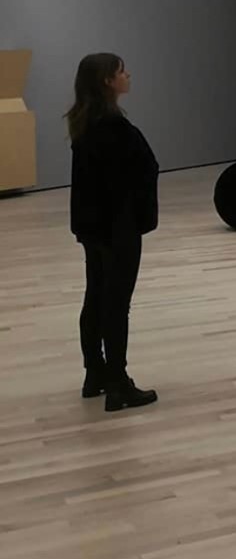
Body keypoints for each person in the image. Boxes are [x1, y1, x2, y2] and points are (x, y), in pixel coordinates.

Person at [66, 53, 159, 411]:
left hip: (94, 227)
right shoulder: (115, 129)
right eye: (121, 71)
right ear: (107, 80)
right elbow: (141, 170)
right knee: (117, 304)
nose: (128, 75)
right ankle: (118, 384)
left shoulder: (84, 122)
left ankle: (95, 373)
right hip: (118, 227)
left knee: (96, 296)